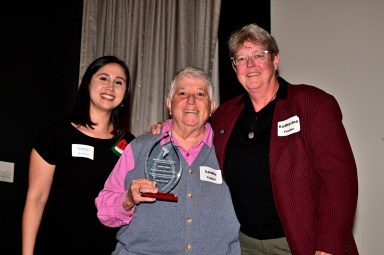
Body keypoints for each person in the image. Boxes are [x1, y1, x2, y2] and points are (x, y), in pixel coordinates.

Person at [211, 24, 359, 254]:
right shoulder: (224, 116)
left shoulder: (312, 104)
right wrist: (165, 128)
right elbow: (194, 142)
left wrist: (328, 246)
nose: (250, 64)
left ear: (275, 59)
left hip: (300, 242)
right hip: (243, 243)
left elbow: (339, 179)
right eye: (241, 58)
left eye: (259, 55)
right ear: (234, 67)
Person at [95, 66, 240, 255]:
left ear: (212, 107)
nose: (191, 100)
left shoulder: (228, 149)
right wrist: (128, 200)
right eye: (182, 93)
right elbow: (104, 210)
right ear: (169, 104)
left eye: (200, 94)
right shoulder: (139, 148)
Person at [22, 55, 135, 255]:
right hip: (55, 245)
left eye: (119, 82)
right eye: (103, 78)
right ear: (87, 83)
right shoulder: (56, 136)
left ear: (125, 94)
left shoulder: (130, 145)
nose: (110, 87)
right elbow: (36, 198)